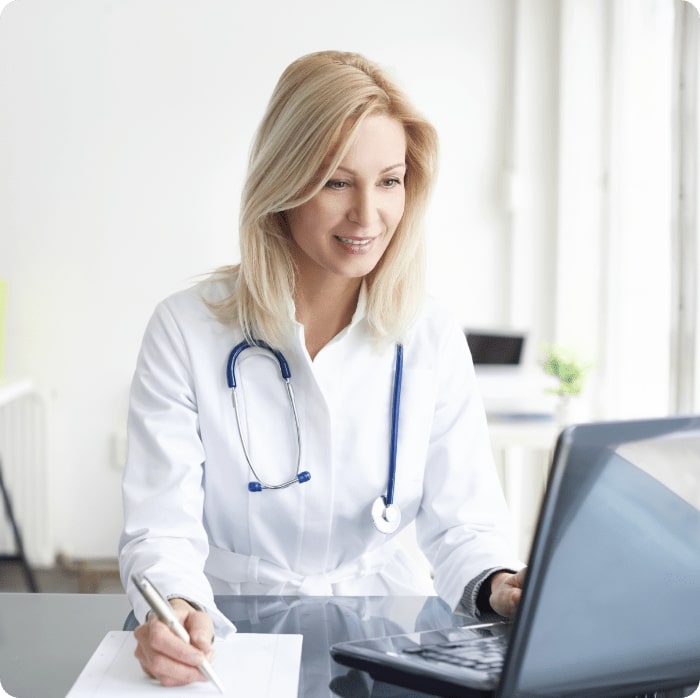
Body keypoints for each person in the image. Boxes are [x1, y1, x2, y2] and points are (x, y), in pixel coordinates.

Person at [118, 49, 526, 688]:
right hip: (226, 634)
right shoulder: (186, 329)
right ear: (283, 182)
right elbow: (160, 531)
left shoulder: (429, 331)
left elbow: (464, 522)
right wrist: (176, 607)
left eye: (389, 181)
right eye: (337, 182)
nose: (368, 216)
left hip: (389, 631)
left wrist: (502, 585)